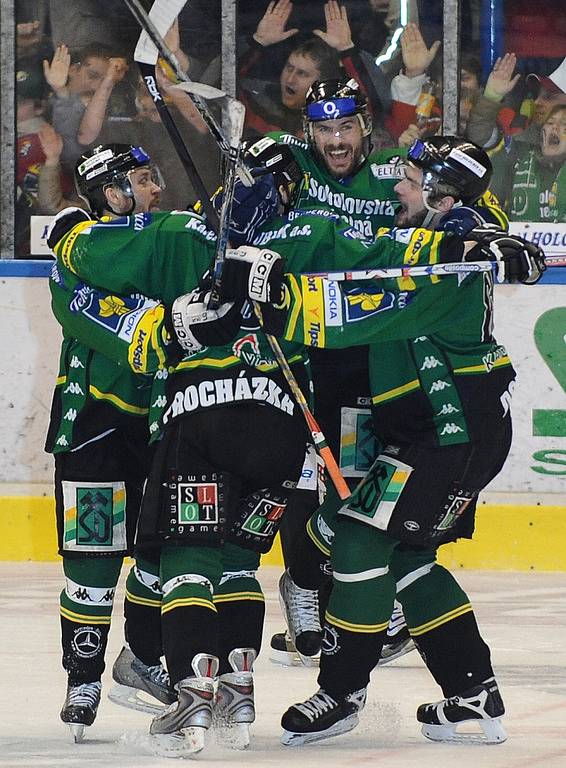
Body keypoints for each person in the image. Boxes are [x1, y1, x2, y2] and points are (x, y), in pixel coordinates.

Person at [217, 136, 545, 747]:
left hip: (448, 431)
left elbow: (350, 302)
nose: (397, 188)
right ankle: (472, 697)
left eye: (413, 181)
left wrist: (270, 288)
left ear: (442, 198)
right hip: (445, 431)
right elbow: (366, 245)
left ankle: (341, 692)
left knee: (359, 538)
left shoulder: (443, 258)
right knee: (408, 558)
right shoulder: (449, 239)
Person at [45, 144, 175, 742]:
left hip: (166, 422)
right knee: (93, 558)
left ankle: (142, 659)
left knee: (163, 550)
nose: (156, 189)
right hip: (95, 424)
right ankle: (83, 676)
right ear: (113, 192)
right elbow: (99, 319)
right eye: (144, 181)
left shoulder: (161, 238)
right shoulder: (78, 249)